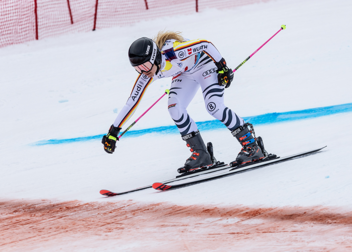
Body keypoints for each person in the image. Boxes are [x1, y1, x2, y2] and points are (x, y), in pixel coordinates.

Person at [102, 31, 267, 172]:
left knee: (213, 106)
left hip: (205, 66)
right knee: (174, 108)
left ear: (155, 58)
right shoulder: (147, 73)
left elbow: (205, 44)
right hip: (185, 74)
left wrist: (222, 66)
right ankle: (202, 155)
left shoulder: (173, 52)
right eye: (137, 69)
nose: (143, 72)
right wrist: (113, 132)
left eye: (144, 66)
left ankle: (252, 147)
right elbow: (132, 102)